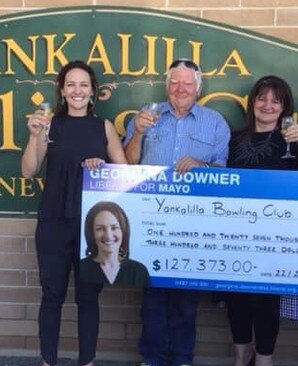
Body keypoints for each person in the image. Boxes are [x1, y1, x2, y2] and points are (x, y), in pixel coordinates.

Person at [123, 58, 231, 366]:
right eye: (174, 82)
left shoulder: (215, 122)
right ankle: (152, 358)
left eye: (187, 83)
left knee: (185, 299)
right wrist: (138, 134)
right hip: (150, 220)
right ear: (166, 86)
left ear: (198, 87)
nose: (180, 88)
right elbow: (128, 164)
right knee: (152, 297)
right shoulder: (146, 117)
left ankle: (182, 358)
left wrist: (202, 165)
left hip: (194, 223)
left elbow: (225, 174)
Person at [21, 60, 128, 366]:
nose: (77, 91)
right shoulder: (48, 125)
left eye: (84, 85)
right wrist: (32, 136)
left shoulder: (103, 127)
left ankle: (87, 361)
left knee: (88, 298)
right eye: (71, 85)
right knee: (52, 295)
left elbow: (125, 175)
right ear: (62, 90)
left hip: (92, 226)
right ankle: (47, 361)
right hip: (53, 222)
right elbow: (28, 171)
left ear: (93, 91)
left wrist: (102, 167)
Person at [225, 75, 298, 366]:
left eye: (275, 101)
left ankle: (265, 359)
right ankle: (242, 356)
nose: (267, 105)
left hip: (275, 236)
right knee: (236, 296)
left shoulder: (291, 140)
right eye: (262, 99)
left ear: (285, 108)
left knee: (267, 300)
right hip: (234, 233)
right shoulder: (233, 139)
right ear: (252, 103)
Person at [80, 201, 150, 287]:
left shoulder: (139, 271)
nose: (108, 236)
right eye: (100, 229)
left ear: (123, 231)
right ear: (91, 233)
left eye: (114, 228)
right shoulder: (81, 268)